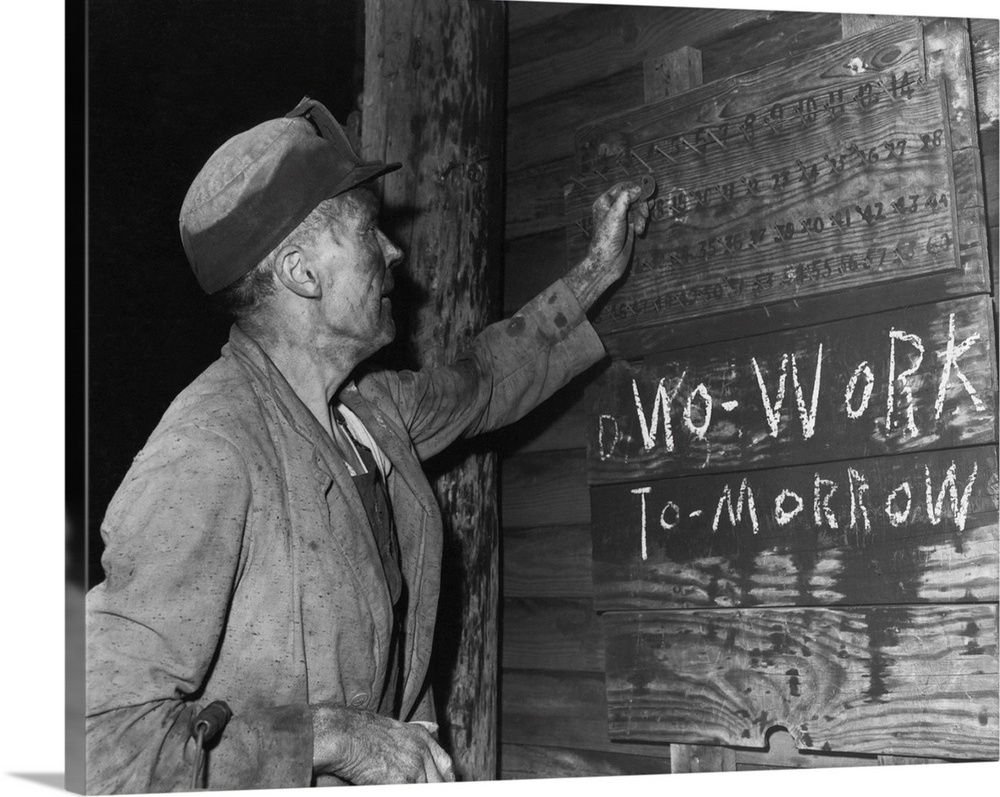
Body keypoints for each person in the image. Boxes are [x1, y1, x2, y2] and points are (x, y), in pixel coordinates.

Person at [85, 96, 648, 793]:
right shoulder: (208, 451)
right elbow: (99, 743)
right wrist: (330, 738)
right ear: (301, 273)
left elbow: (482, 379)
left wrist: (597, 272)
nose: (393, 251)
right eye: (365, 231)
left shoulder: (364, 409)